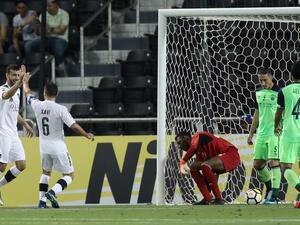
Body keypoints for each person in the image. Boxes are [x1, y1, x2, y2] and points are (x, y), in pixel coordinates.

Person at [22, 66, 94, 208]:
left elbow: (28, 94)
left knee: (46, 173)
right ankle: (53, 192)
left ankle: (42, 202)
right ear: (57, 94)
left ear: (44, 92)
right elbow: (73, 125)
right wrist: (86, 134)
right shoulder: (61, 109)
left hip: (43, 147)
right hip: (58, 147)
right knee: (69, 175)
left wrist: (25, 82)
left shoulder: (37, 105)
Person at [175, 131, 241, 205]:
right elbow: (197, 162)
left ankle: (219, 199)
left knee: (205, 165)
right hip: (219, 159)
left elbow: (193, 147)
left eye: (179, 143)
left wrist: (183, 161)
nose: (179, 146)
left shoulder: (199, 135)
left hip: (231, 155)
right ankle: (207, 198)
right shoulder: (199, 151)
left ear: (186, 138)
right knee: (193, 168)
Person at [0, 64, 34, 205]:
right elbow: (7, 95)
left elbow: (14, 112)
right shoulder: (2, 89)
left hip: (13, 133)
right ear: (7, 75)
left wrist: (25, 123)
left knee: (21, 165)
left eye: (17, 75)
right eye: (13, 75)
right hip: (2, 132)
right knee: (2, 166)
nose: (15, 77)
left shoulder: (18, 91)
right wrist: (20, 82)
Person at [247, 68, 281, 204]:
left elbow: (284, 111)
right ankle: (270, 189)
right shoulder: (258, 93)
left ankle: (275, 196)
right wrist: (251, 133)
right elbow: (256, 114)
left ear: (271, 78)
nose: (262, 82)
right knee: (258, 164)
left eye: (265, 80)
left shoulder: (280, 92)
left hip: (275, 133)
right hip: (261, 133)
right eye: (260, 80)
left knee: (274, 162)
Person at [274, 60, 300, 208]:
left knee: (285, 168)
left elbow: (278, 114)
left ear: (291, 75)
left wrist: (276, 126)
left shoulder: (284, 91)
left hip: (290, 133)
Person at [31, 0, 69, 76]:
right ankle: (33, 67)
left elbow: (61, 31)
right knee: (29, 45)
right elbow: (39, 33)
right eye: (46, 6)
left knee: (58, 46)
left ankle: (60, 66)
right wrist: (37, 22)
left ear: (56, 5)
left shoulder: (64, 14)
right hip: (46, 38)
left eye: (49, 6)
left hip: (60, 39)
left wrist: (49, 28)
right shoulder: (43, 14)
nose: (47, 8)